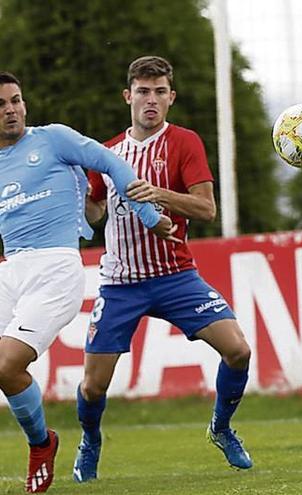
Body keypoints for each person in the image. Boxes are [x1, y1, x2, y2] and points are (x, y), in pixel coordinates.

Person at [72, 56, 254, 483]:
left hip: (175, 277)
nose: (150, 100)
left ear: (171, 97)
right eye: (142, 91)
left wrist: (160, 195)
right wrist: (77, 192)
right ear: (127, 96)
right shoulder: (107, 153)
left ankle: (221, 427)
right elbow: (95, 214)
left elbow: (206, 208)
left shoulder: (184, 142)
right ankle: (90, 440)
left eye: (159, 92)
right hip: (120, 284)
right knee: (93, 387)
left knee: (239, 350)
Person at [0, 71, 176, 493]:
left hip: (56, 268)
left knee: (6, 364)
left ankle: (42, 446)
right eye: (1, 105)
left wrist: (149, 216)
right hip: (10, 270)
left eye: (16, 101)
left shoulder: (54, 139)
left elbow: (113, 163)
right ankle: (42, 440)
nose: (11, 110)